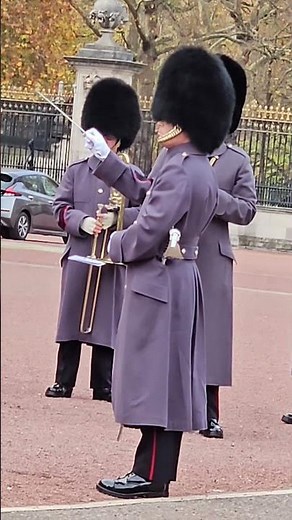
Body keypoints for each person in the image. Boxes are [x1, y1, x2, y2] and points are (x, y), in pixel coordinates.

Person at [84, 46, 235, 498]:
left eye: (166, 118)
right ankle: (153, 472)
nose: (159, 122)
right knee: (166, 383)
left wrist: (111, 245)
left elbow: (149, 228)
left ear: (184, 119)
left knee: (155, 383)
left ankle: (149, 476)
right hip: (178, 281)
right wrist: (106, 162)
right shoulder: (187, 164)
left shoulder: (182, 171)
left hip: (160, 285)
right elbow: (145, 189)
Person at [45, 78, 142, 401]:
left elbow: (146, 211)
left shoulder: (131, 175)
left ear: (120, 141)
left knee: (107, 322)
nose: (108, 141)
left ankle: (103, 383)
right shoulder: (76, 171)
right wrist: (81, 221)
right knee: (71, 317)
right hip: (80, 252)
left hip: (113, 256)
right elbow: (59, 208)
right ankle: (64, 380)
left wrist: (119, 219)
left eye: (112, 137)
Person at [196, 55, 257, 439]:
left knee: (211, 336)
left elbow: (248, 209)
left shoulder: (237, 160)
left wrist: (215, 199)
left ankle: (209, 411)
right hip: (177, 249)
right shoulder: (180, 153)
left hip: (213, 257)